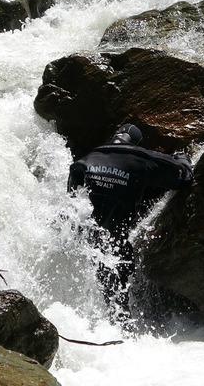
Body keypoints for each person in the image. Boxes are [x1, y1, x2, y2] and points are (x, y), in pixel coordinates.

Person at [68, 123, 193, 314]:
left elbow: (71, 198)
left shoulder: (86, 159)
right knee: (119, 293)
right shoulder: (141, 159)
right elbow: (183, 177)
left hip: (89, 242)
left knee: (97, 273)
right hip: (117, 244)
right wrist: (183, 158)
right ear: (135, 143)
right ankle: (122, 326)